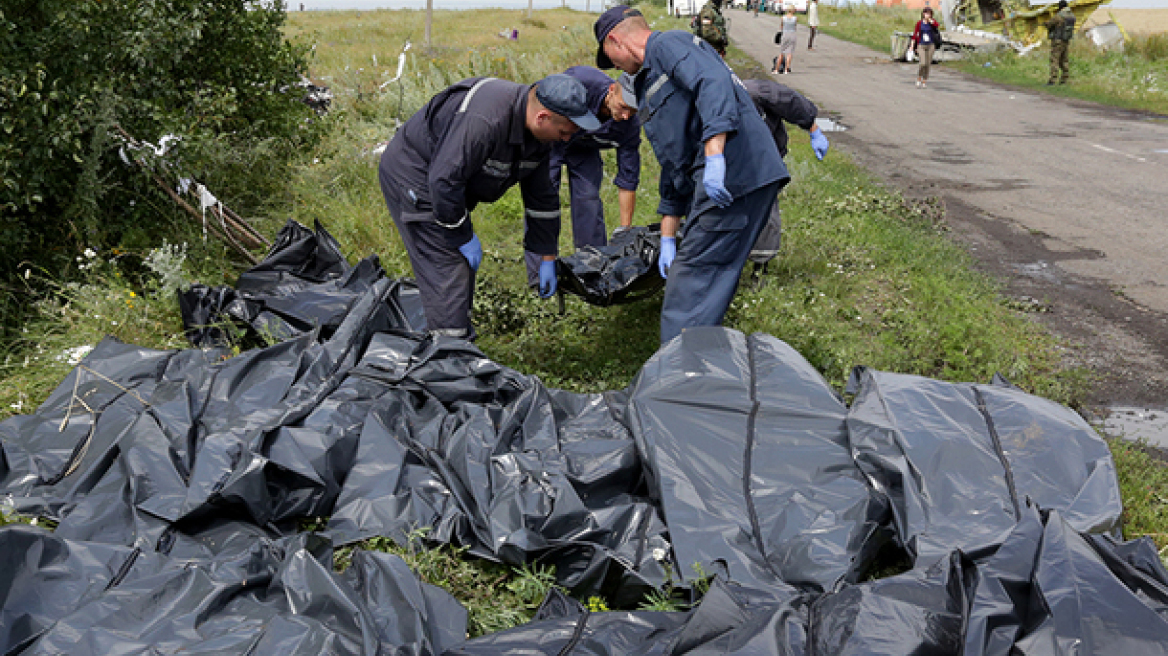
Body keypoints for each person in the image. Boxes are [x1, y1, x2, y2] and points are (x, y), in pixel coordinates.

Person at [594, 5, 789, 345]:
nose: (613, 66)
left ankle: (679, 378)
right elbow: (674, 162)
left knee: (691, 279)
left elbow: (712, 83)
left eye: (608, 56)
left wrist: (715, 157)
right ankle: (698, 365)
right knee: (711, 273)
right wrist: (668, 237)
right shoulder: (648, 81)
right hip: (735, 179)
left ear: (616, 40)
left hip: (733, 174)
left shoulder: (669, 44)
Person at [378, 74, 599, 340]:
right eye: (564, 132)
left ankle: (455, 340)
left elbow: (542, 199)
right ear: (542, 117)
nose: (565, 140)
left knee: (457, 266)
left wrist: (547, 256)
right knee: (448, 262)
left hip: (449, 179)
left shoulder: (539, 137)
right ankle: (449, 355)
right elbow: (444, 181)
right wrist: (462, 235)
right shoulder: (484, 121)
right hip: (417, 175)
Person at [525, 66, 641, 284]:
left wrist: (625, 229)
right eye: (623, 107)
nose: (626, 116)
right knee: (543, 197)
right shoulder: (581, 83)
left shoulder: (629, 125)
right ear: (611, 90)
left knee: (588, 198)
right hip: (554, 140)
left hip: (585, 148)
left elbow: (628, 178)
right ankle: (539, 274)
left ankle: (592, 270)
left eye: (632, 112)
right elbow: (543, 99)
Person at [741, 77, 828, 271]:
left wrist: (813, 129)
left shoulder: (755, 91)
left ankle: (760, 267)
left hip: (767, 156)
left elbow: (791, 101)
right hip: (732, 158)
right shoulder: (705, 102)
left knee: (765, 207)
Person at [909, 7, 941, 88]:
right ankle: (919, 78)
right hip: (921, 44)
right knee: (922, 63)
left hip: (931, 45)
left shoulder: (932, 22)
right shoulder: (919, 23)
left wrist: (930, 21)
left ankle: (924, 80)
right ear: (923, 14)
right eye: (926, 13)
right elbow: (915, 35)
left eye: (929, 14)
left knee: (927, 64)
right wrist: (912, 46)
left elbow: (937, 25)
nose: (927, 15)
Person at [1045, 0, 1075, 85]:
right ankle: (1064, 80)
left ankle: (1052, 80)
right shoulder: (1072, 16)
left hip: (1058, 41)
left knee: (1054, 60)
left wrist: (1046, 24)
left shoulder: (1059, 16)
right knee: (1064, 60)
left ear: (1060, 7)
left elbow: (1050, 24)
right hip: (1066, 40)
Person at [773, 5, 798, 74]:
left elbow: (781, 26)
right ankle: (786, 69)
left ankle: (776, 69)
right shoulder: (795, 18)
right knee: (789, 53)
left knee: (781, 53)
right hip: (792, 34)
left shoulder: (783, 18)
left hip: (785, 34)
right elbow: (795, 26)